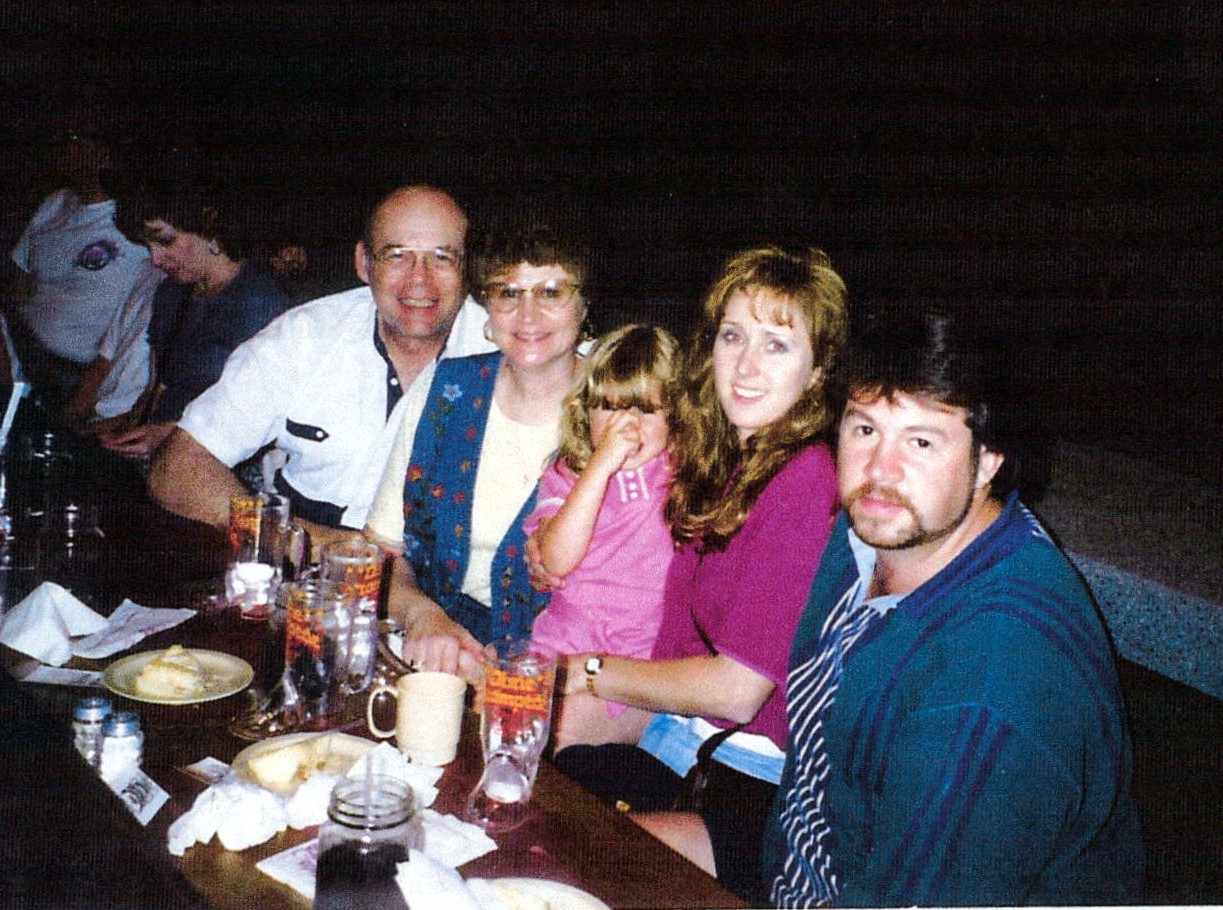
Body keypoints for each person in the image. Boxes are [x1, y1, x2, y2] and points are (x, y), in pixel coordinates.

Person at [763, 309, 1144, 907]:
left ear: (987, 461)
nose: (880, 470)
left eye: (921, 442)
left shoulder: (990, 692)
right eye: (864, 429)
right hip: (802, 858)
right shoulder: (878, 530)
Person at [552, 246, 848, 901]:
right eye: (733, 336)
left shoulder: (805, 479)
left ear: (818, 368)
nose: (746, 365)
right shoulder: (729, 460)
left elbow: (736, 692)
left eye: (777, 345)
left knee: (572, 861)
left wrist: (584, 670)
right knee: (520, 762)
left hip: (755, 781)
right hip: (685, 740)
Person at [146, 185, 495, 544]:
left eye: (442, 257)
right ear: (364, 263)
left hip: (437, 564)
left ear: (467, 267)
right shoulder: (304, 337)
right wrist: (304, 544)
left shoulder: (504, 355)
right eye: (396, 255)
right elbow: (177, 467)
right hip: (294, 548)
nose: (419, 279)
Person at [373, 223, 590, 679]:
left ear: (585, 305)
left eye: (551, 292)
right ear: (487, 307)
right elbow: (384, 554)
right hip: (438, 654)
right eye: (508, 292)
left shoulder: (627, 412)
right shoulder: (446, 390)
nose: (528, 315)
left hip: (565, 671)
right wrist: (424, 616)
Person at [526, 324, 678, 749]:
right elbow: (555, 561)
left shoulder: (679, 473)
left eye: (646, 410)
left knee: (555, 733)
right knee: (505, 716)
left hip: (639, 662)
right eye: (610, 408)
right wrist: (600, 466)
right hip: (561, 642)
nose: (626, 426)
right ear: (585, 412)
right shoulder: (566, 476)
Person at [93, 178, 291, 460]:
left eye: (166, 241)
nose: (155, 258)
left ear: (209, 226)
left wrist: (168, 436)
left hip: (217, 459)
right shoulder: (172, 292)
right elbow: (156, 391)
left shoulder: (262, 301)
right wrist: (122, 434)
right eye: (147, 245)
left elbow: (263, 414)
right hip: (160, 451)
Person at [6, 127, 157, 409]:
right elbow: (20, 282)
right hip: (17, 354)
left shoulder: (134, 223)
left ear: (104, 154)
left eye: (76, 139)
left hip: (70, 378)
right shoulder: (55, 204)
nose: (65, 148)